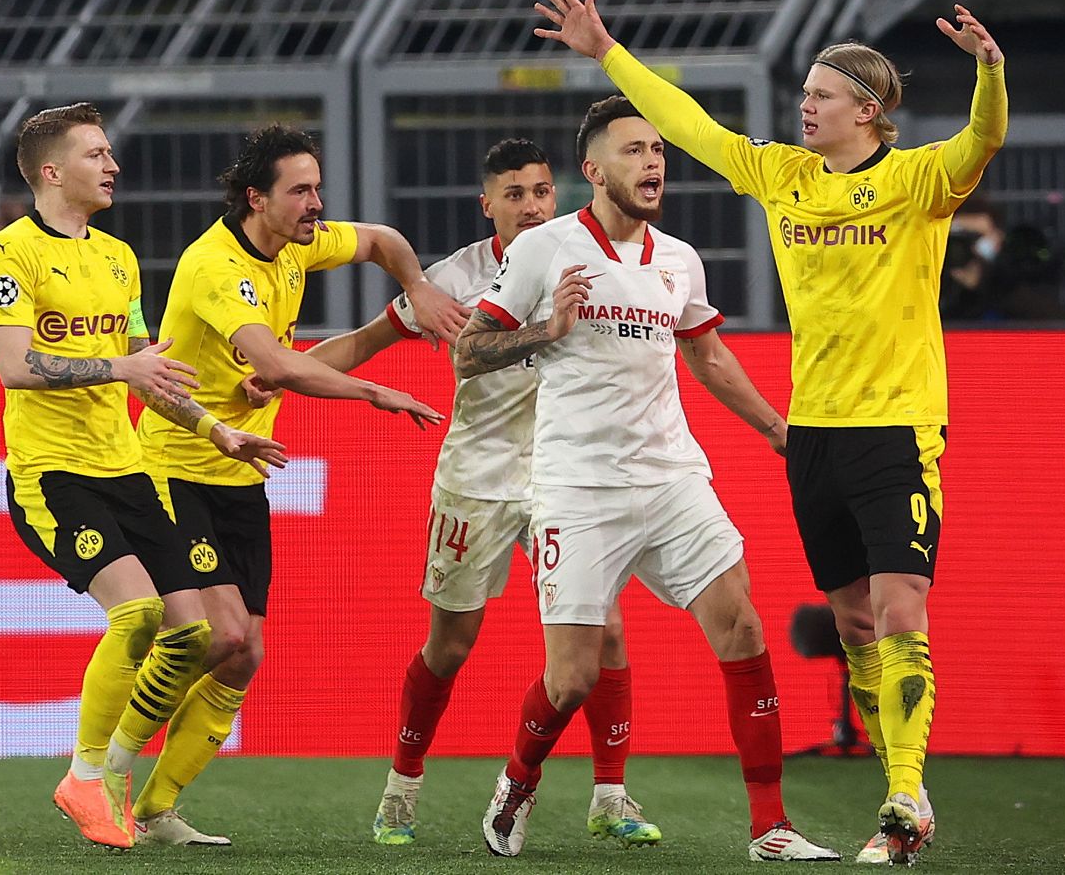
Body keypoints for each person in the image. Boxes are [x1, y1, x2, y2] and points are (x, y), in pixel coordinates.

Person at [533, 0, 1008, 864]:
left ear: (867, 111)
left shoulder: (917, 182)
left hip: (897, 425)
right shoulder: (784, 175)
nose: (805, 106)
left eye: (821, 95)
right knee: (854, 622)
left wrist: (989, 72)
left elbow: (982, 140)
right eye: (805, 94)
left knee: (901, 607)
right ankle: (903, 793)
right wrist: (606, 52)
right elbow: (689, 125)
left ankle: (905, 792)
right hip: (814, 432)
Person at [244, 138, 659, 847]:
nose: (532, 207)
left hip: (565, 477)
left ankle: (611, 794)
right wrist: (279, 371)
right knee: (452, 644)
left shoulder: (593, 262)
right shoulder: (456, 278)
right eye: (514, 194)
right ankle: (401, 789)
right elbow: (365, 342)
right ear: (487, 205)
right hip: (477, 480)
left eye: (541, 191)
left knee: (607, 630)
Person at [457, 96, 838, 863]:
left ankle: (770, 825)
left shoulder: (679, 258)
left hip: (671, 478)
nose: (653, 161)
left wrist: (779, 432)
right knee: (572, 678)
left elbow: (708, 355)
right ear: (594, 170)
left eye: (658, 149)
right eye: (633, 150)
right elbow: (469, 351)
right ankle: (518, 779)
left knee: (743, 626)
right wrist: (547, 330)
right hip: (577, 486)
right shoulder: (544, 248)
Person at [125, 123, 463, 845]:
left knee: (245, 652)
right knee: (218, 633)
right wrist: (375, 392)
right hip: (176, 462)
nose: (316, 204)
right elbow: (277, 366)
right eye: (300, 191)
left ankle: (154, 810)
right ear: (257, 198)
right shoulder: (216, 265)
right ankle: (98, 763)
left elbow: (382, 240)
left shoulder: (299, 242)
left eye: (318, 188)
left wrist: (418, 286)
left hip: (241, 471)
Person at [0, 102, 287, 850]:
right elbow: (15, 366)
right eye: (96, 154)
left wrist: (215, 429)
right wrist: (120, 366)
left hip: (128, 468)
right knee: (138, 615)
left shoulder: (117, 257)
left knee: (193, 634)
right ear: (52, 171)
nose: (112, 165)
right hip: (53, 474)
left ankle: (111, 775)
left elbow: (149, 373)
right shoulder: (8, 255)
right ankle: (83, 777)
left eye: (110, 154)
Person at [941, 194, 1065, 321]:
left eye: (974, 237)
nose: (963, 249)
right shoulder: (936, 285)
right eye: (956, 239)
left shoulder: (1016, 293)